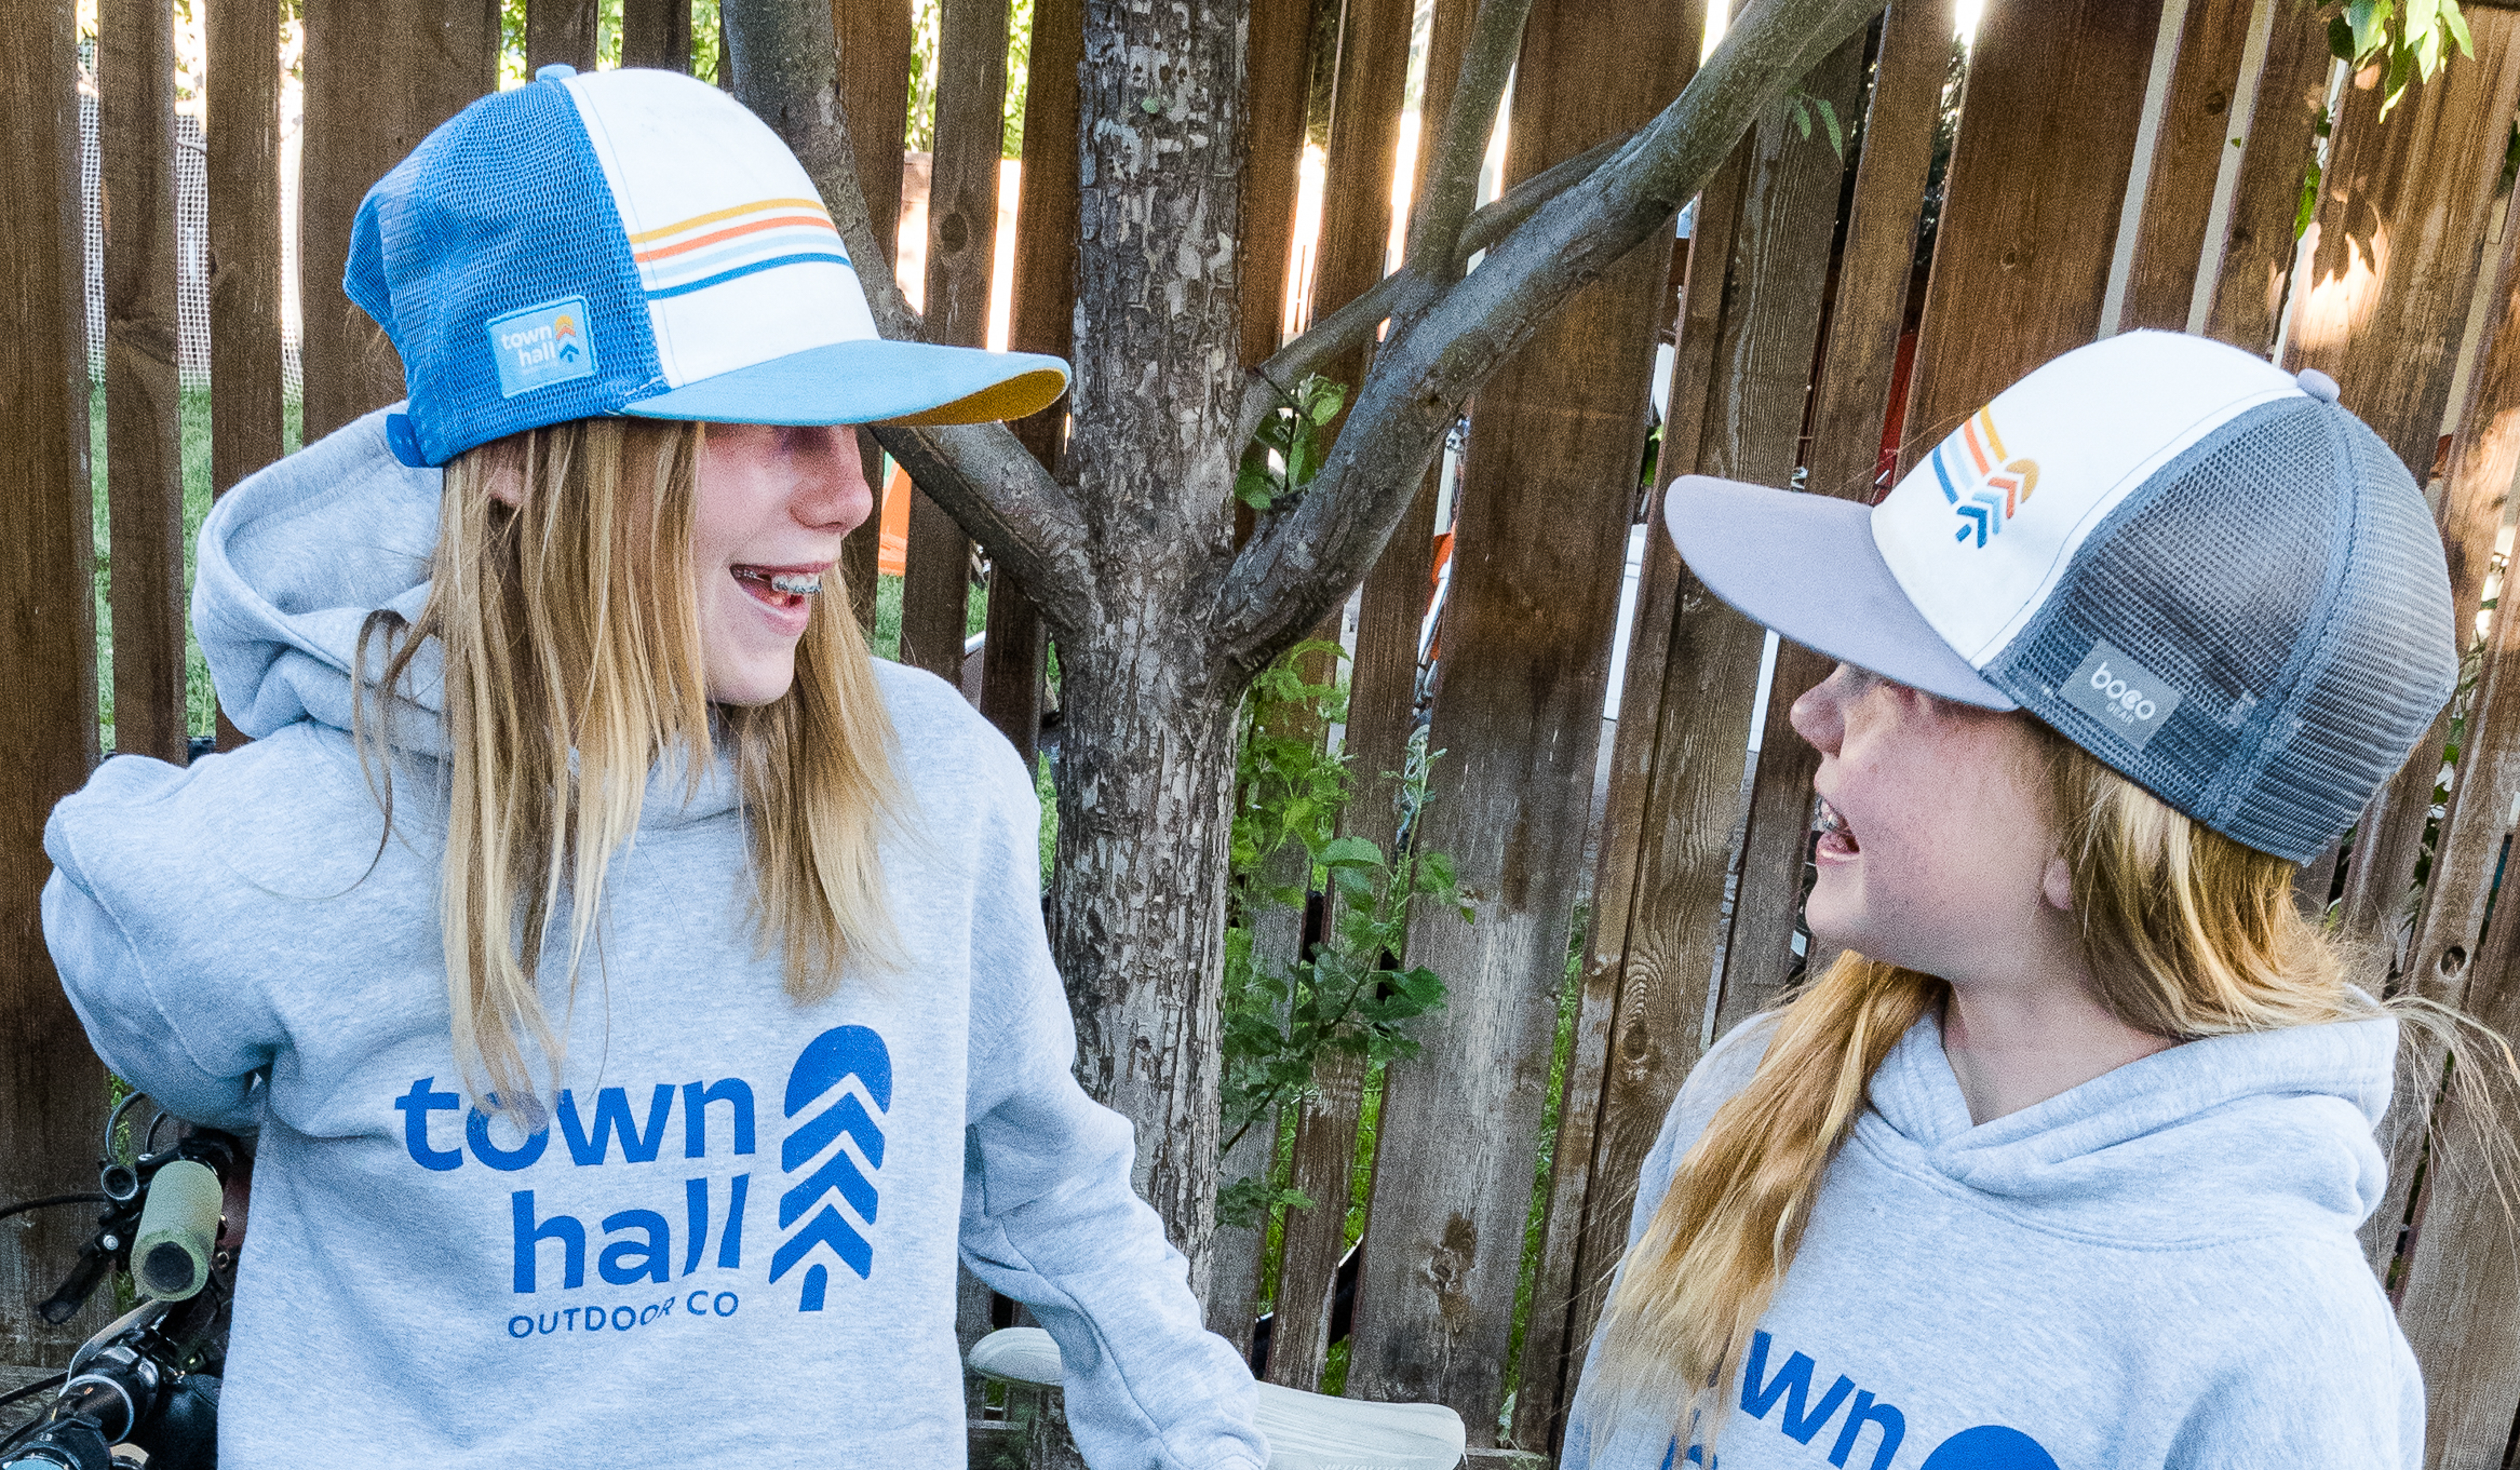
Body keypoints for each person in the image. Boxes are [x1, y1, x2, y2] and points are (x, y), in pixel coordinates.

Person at [41, 65, 1267, 1469]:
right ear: (525, 451)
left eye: (850, 419)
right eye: (769, 417)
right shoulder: (298, 852)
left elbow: (1050, 1186)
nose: (852, 493)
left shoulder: (937, 790)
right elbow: (132, 937)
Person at [1559, 330, 2510, 1468]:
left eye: (1899, 677)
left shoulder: (2282, 1361)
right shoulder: (1757, 1100)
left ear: (2099, 828)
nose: (1815, 716)